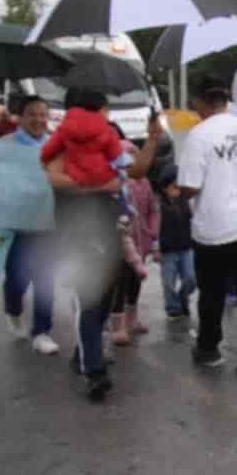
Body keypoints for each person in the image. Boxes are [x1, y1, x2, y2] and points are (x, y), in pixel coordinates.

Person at [46, 95, 164, 401]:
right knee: (90, 301)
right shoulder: (64, 143)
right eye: (102, 109)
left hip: (111, 232)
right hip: (78, 231)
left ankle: (86, 353)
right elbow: (54, 179)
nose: (105, 115)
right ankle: (94, 372)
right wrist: (101, 186)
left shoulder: (106, 143)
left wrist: (152, 140)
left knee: (106, 301)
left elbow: (136, 171)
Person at [178, 85, 237, 382]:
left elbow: (190, 185)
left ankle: (209, 349)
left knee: (212, 290)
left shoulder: (199, 135)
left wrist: (176, 193)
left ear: (202, 101)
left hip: (214, 226)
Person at [1, 97, 60, 356]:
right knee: (17, 279)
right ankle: (13, 309)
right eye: (31, 114)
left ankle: (42, 331)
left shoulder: (56, 145)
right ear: (21, 117)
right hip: (17, 226)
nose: (38, 120)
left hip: (50, 224)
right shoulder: (6, 145)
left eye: (42, 115)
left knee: (46, 280)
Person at [111, 153, 158, 345]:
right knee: (119, 283)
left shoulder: (144, 182)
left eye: (134, 156)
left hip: (140, 240)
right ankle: (118, 325)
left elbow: (152, 209)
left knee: (135, 282)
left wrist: (153, 234)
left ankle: (132, 319)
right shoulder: (116, 183)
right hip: (117, 243)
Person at [155, 165, 196, 320]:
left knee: (191, 278)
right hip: (167, 250)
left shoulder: (186, 201)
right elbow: (156, 226)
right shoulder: (158, 204)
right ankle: (173, 307)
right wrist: (156, 247)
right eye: (174, 184)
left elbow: (194, 220)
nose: (178, 187)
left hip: (187, 247)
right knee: (168, 283)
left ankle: (182, 297)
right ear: (166, 186)